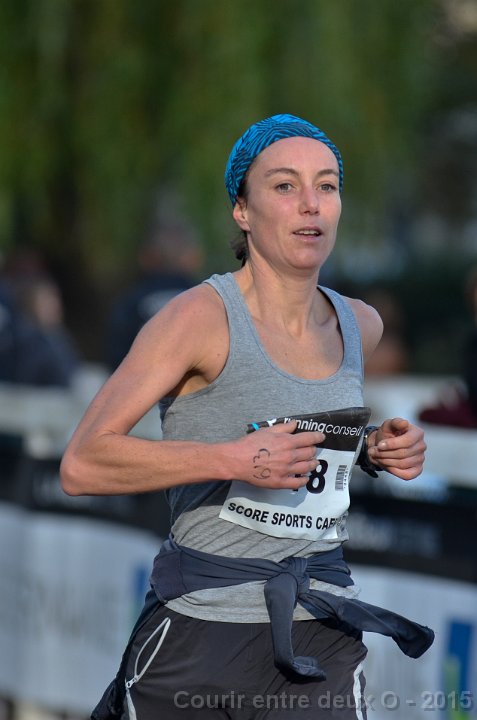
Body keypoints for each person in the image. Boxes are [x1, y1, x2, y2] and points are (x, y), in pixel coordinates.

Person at [60, 114, 432, 719]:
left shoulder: (360, 324)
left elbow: (301, 436)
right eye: (285, 186)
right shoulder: (197, 318)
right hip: (200, 629)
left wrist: (370, 448)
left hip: (318, 630)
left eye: (327, 185)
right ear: (242, 210)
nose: (311, 203)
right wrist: (231, 459)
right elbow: (82, 463)